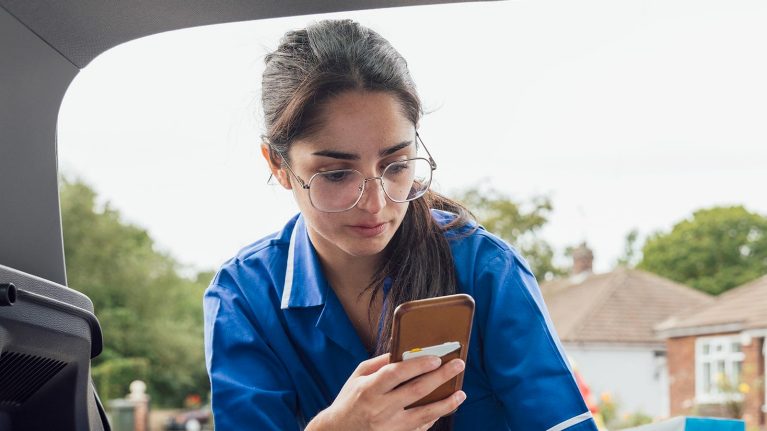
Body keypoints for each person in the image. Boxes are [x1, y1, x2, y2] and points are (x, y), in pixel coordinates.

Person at [203, 19, 598, 431]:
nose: (376, 203)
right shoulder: (243, 299)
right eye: (337, 174)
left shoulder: (486, 270)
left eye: (396, 165)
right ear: (278, 166)